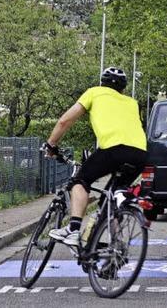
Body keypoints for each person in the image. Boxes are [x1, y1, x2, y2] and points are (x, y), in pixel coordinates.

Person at [43, 67, 147, 246]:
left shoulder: (94, 93)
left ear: (102, 83)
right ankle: (116, 248)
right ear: (122, 89)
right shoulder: (132, 102)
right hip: (140, 154)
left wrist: (51, 145)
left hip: (114, 150)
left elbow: (65, 121)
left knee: (80, 181)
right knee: (111, 200)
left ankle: (73, 230)